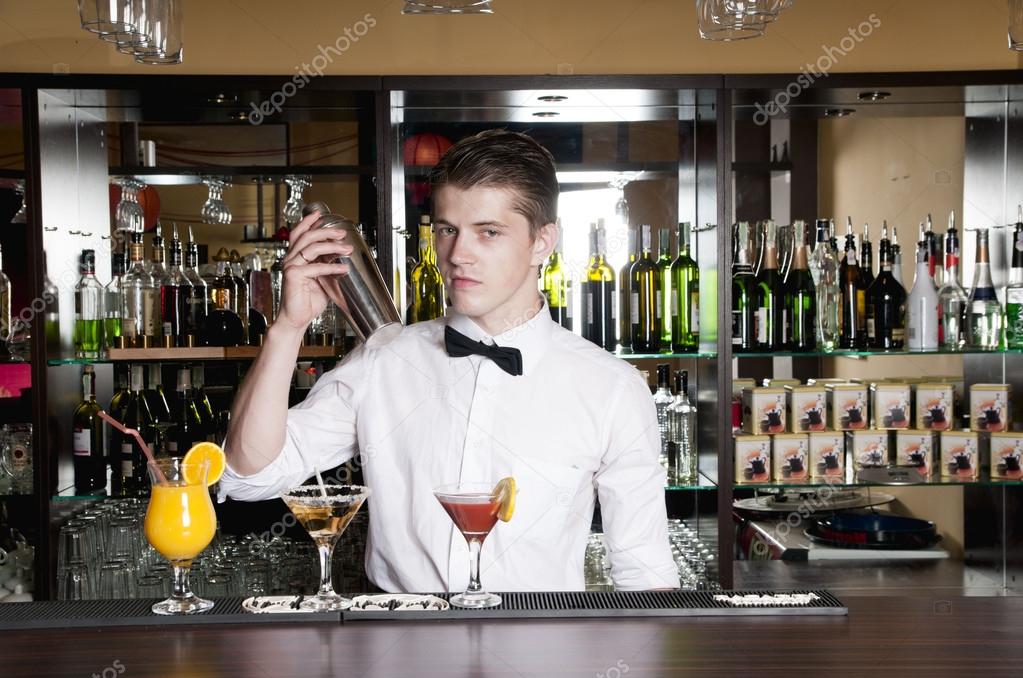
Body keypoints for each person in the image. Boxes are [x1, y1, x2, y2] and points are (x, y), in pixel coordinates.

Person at [220, 129, 679, 592]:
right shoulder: (382, 361)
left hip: (543, 651)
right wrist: (287, 327)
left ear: (542, 242)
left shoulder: (611, 387)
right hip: (401, 651)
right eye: (447, 230)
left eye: (489, 232)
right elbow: (248, 474)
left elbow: (646, 575)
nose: (458, 255)